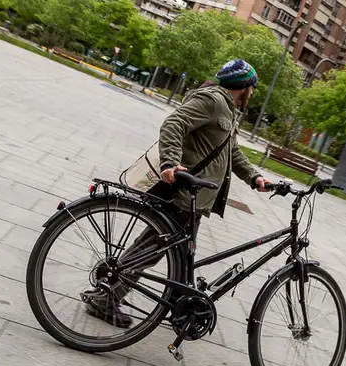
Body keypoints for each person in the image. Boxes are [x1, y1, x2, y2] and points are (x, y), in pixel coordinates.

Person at [87, 59, 271, 327]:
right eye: (252, 87)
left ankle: (178, 310)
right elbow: (174, 123)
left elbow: (231, 151)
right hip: (183, 193)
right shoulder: (214, 101)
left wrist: (255, 177)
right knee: (152, 249)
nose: (253, 93)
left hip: (196, 198)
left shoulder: (228, 110)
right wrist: (170, 162)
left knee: (179, 257)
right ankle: (108, 296)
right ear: (244, 86)